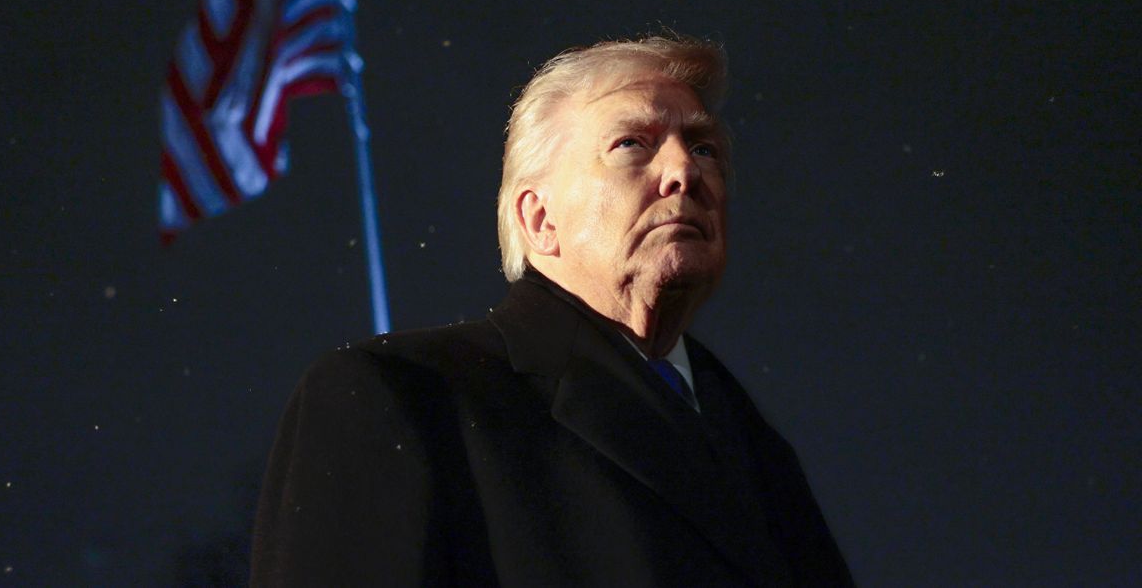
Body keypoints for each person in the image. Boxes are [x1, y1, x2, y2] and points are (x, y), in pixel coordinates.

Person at [250, 34, 854, 586]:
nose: (685, 171)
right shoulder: (402, 397)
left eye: (703, 147)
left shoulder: (757, 446)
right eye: (632, 144)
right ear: (539, 219)